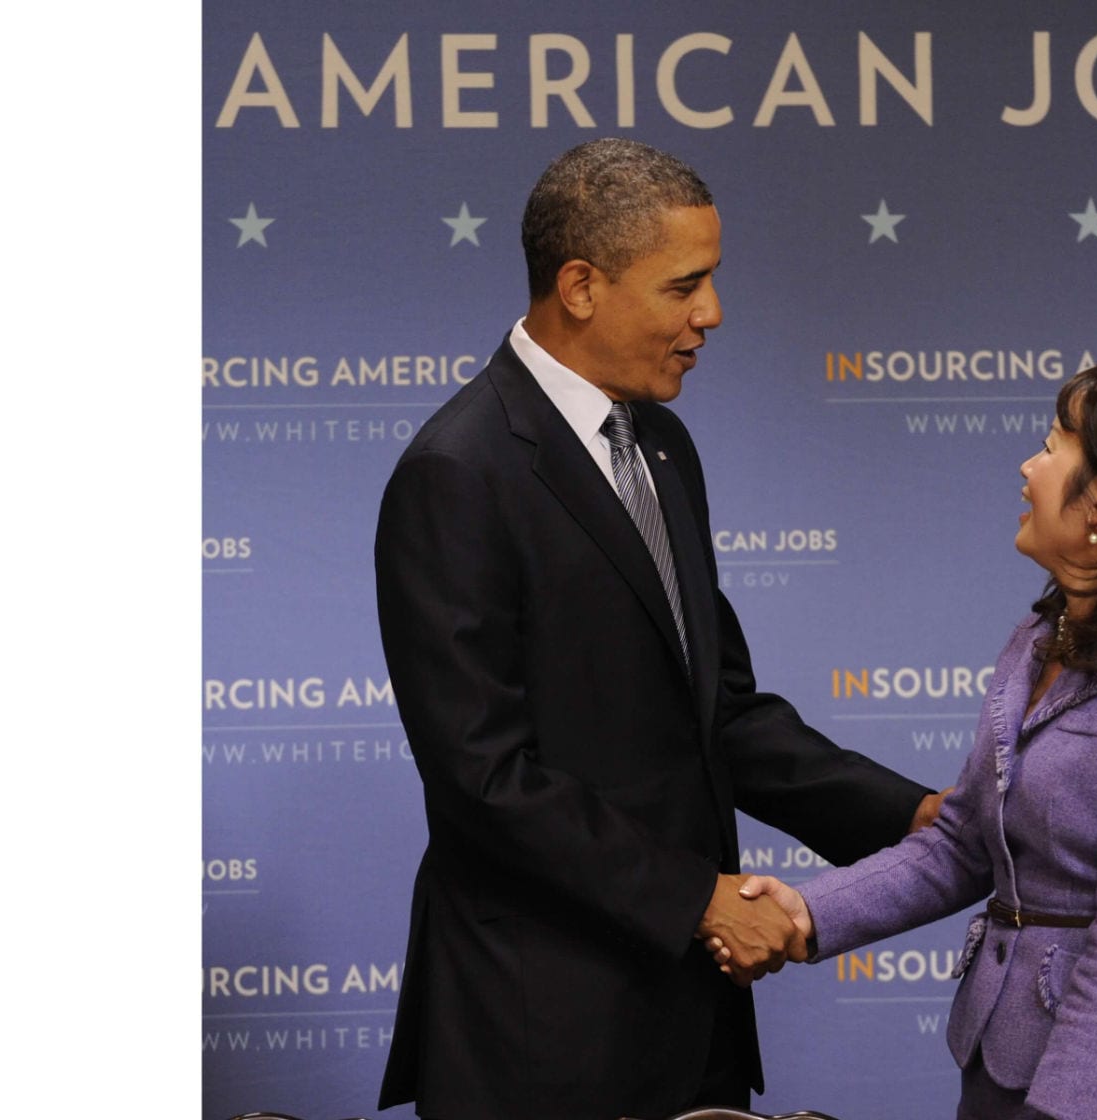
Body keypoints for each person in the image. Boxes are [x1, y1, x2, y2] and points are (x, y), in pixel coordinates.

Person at [372, 138, 942, 1120]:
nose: (710, 315)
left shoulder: (663, 445)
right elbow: (482, 776)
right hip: (537, 1034)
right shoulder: (458, 472)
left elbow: (713, 711)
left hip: (686, 1019)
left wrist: (917, 818)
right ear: (582, 285)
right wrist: (697, 899)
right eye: (686, 285)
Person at [720, 363, 1097, 1120]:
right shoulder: (1034, 642)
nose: (1028, 466)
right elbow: (962, 844)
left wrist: (1058, 1110)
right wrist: (806, 914)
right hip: (999, 1056)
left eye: (1051, 447)